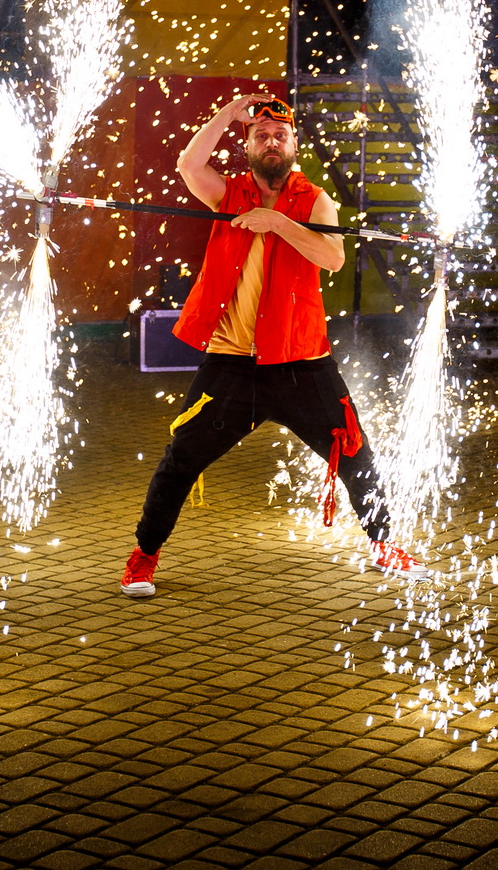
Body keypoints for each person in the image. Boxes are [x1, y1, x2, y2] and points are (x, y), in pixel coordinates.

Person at [120, 94, 425, 597]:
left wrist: (279, 224)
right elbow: (189, 164)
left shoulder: (315, 200)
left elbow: (332, 258)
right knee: (181, 458)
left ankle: (384, 545)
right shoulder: (228, 194)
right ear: (248, 145)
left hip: (303, 365)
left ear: (293, 146)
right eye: (260, 134)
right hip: (232, 364)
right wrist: (229, 111)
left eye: (280, 135)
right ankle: (143, 557)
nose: (271, 141)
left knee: (355, 456)